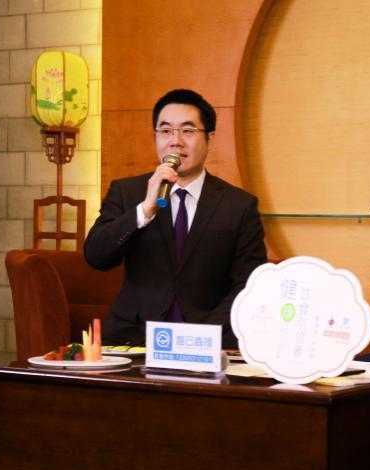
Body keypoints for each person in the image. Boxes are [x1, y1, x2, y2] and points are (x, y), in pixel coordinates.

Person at [84, 89, 267, 349]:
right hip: (135, 339)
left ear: (210, 139)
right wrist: (144, 210)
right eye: (166, 131)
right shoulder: (128, 192)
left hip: (207, 342)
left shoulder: (238, 205)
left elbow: (248, 284)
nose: (175, 141)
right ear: (156, 137)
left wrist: (198, 338)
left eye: (188, 131)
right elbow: (96, 256)